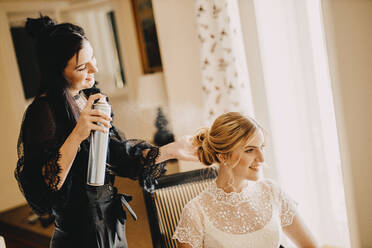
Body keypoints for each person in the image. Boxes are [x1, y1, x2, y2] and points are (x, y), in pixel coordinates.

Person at [15, 15, 197, 248]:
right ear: (57, 73)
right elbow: (46, 186)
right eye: (82, 67)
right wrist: (78, 133)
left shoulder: (87, 97)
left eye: (93, 58)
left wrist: (170, 151)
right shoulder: (42, 112)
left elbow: (118, 156)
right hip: (79, 237)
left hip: (109, 224)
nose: (95, 69)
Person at [173, 112, 319, 248]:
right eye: (250, 150)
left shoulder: (271, 192)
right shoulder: (195, 211)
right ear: (223, 156)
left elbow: (311, 246)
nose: (262, 158)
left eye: (261, 147)